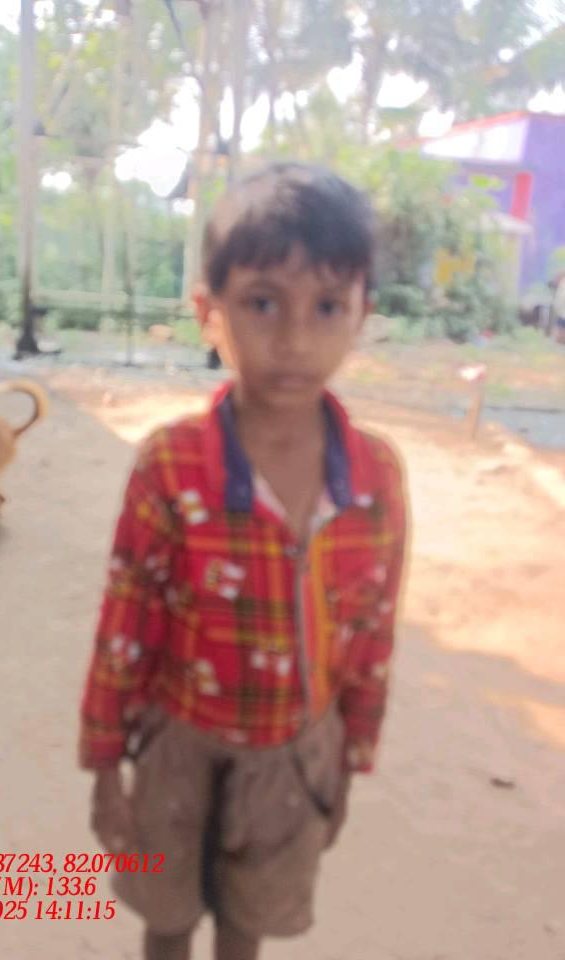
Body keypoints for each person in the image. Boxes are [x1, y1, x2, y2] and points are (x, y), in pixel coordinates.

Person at [78, 163, 409, 960]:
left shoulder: (374, 479)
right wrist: (106, 765)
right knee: (166, 919)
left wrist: (349, 765)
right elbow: (127, 623)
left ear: (361, 315)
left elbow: (371, 634)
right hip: (178, 744)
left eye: (326, 306)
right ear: (209, 313)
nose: (294, 339)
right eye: (262, 303)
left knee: (246, 923)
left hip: (294, 755)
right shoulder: (171, 466)